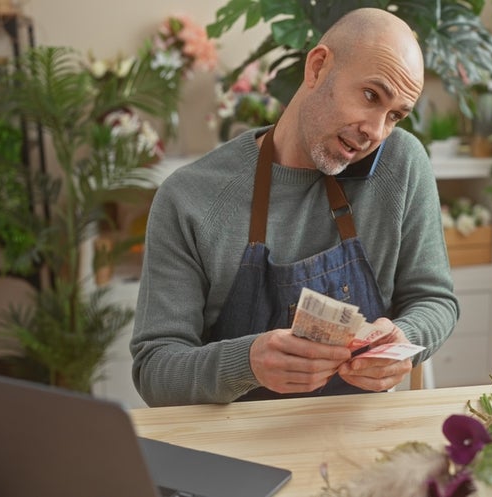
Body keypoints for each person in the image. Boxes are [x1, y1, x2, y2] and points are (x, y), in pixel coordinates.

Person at [130, 7, 459, 406]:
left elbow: (435, 299)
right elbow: (155, 370)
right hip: (234, 448)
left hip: (359, 433)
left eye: (395, 116)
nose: (375, 131)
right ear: (318, 67)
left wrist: (406, 337)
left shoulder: (400, 164)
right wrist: (246, 363)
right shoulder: (189, 199)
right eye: (371, 96)